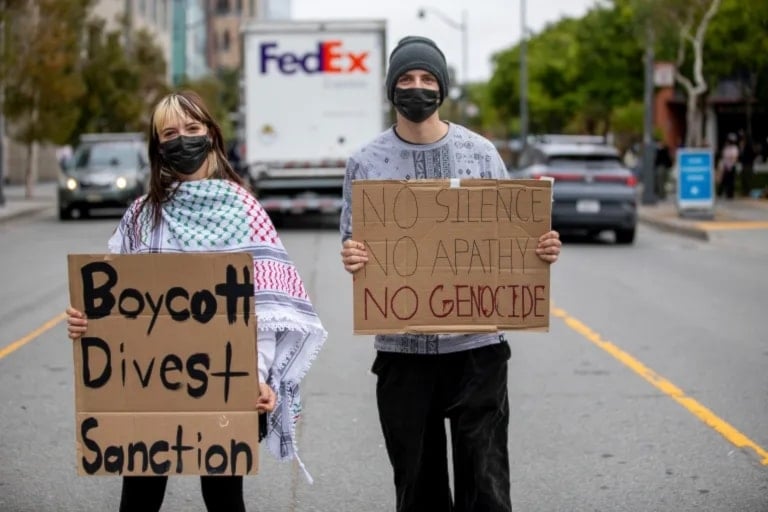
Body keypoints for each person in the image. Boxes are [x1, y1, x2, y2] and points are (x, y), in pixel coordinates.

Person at [66, 90, 327, 512]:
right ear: (158, 147)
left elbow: (260, 312)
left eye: (191, 129)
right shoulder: (140, 216)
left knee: (224, 498)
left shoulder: (246, 210)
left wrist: (255, 377)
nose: (182, 140)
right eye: (169, 133)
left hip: (226, 385)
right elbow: (110, 302)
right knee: (139, 497)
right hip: (149, 386)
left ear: (210, 135)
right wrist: (85, 320)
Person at [338, 36, 562, 512]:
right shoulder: (365, 161)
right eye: (406, 79)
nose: (416, 88)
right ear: (391, 89)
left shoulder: (480, 153)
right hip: (403, 354)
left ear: (442, 88)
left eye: (426, 79)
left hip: (477, 352)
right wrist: (353, 257)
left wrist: (540, 249)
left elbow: (513, 237)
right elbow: (354, 240)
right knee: (418, 487)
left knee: (485, 485)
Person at [717, 133, 740, 199]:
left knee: (731, 181)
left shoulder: (734, 148)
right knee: (724, 180)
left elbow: (734, 158)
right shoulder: (726, 148)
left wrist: (731, 164)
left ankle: (730, 194)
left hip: (731, 166)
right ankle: (720, 193)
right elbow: (724, 157)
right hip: (726, 166)